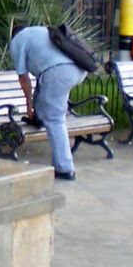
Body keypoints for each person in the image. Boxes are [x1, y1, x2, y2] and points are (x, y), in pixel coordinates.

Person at [9, 24, 86, 180]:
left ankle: (64, 168)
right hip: (79, 68)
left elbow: (24, 78)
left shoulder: (17, 40)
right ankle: (40, 118)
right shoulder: (40, 31)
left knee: (54, 119)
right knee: (50, 102)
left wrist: (28, 103)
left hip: (59, 72)